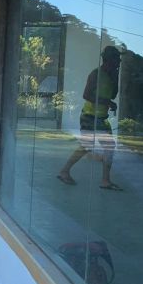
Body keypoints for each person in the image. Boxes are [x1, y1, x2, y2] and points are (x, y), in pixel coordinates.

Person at [57, 45, 123, 191]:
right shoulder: (95, 74)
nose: (119, 62)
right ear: (109, 60)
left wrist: (116, 76)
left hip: (101, 117)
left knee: (107, 147)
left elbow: (112, 95)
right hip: (89, 116)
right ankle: (65, 171)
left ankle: (105, 180)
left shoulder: (110, 75)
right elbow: (86, 95)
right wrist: (107, 102)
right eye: (117, 59)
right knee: (88, 146)